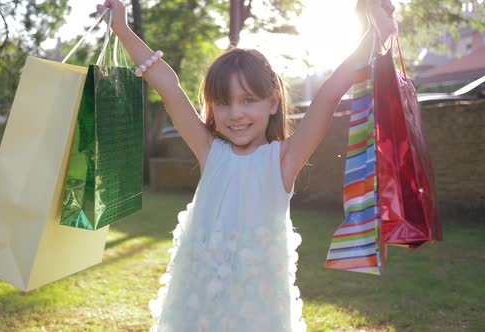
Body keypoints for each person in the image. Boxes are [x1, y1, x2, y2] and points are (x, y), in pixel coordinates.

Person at [96, 1, 396, 331]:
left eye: (248, 100)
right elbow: (168, 86)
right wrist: (122, 29)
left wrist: (372, 37)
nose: (235, 114)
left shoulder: (284, 158)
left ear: (272, 102)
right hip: (197, 303)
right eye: (223, 104)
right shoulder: (209, 150)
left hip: (258, 310)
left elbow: (328, 95)